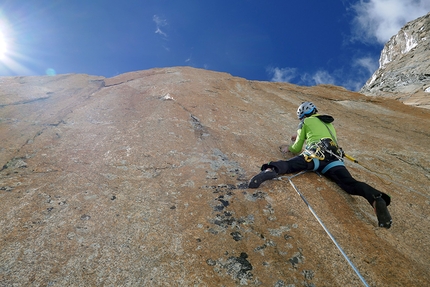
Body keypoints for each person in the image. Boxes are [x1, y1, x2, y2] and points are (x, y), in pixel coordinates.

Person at [248, 102, 392, 228]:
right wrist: (298, 135)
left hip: (315, 155)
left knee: (289, 165)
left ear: (302, 115)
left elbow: (297, 148)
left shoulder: (305, 122)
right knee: (350, 184)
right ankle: (375, 198)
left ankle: (269, 170)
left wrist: (288, 147)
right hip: (334, 159)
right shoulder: (328, 123)